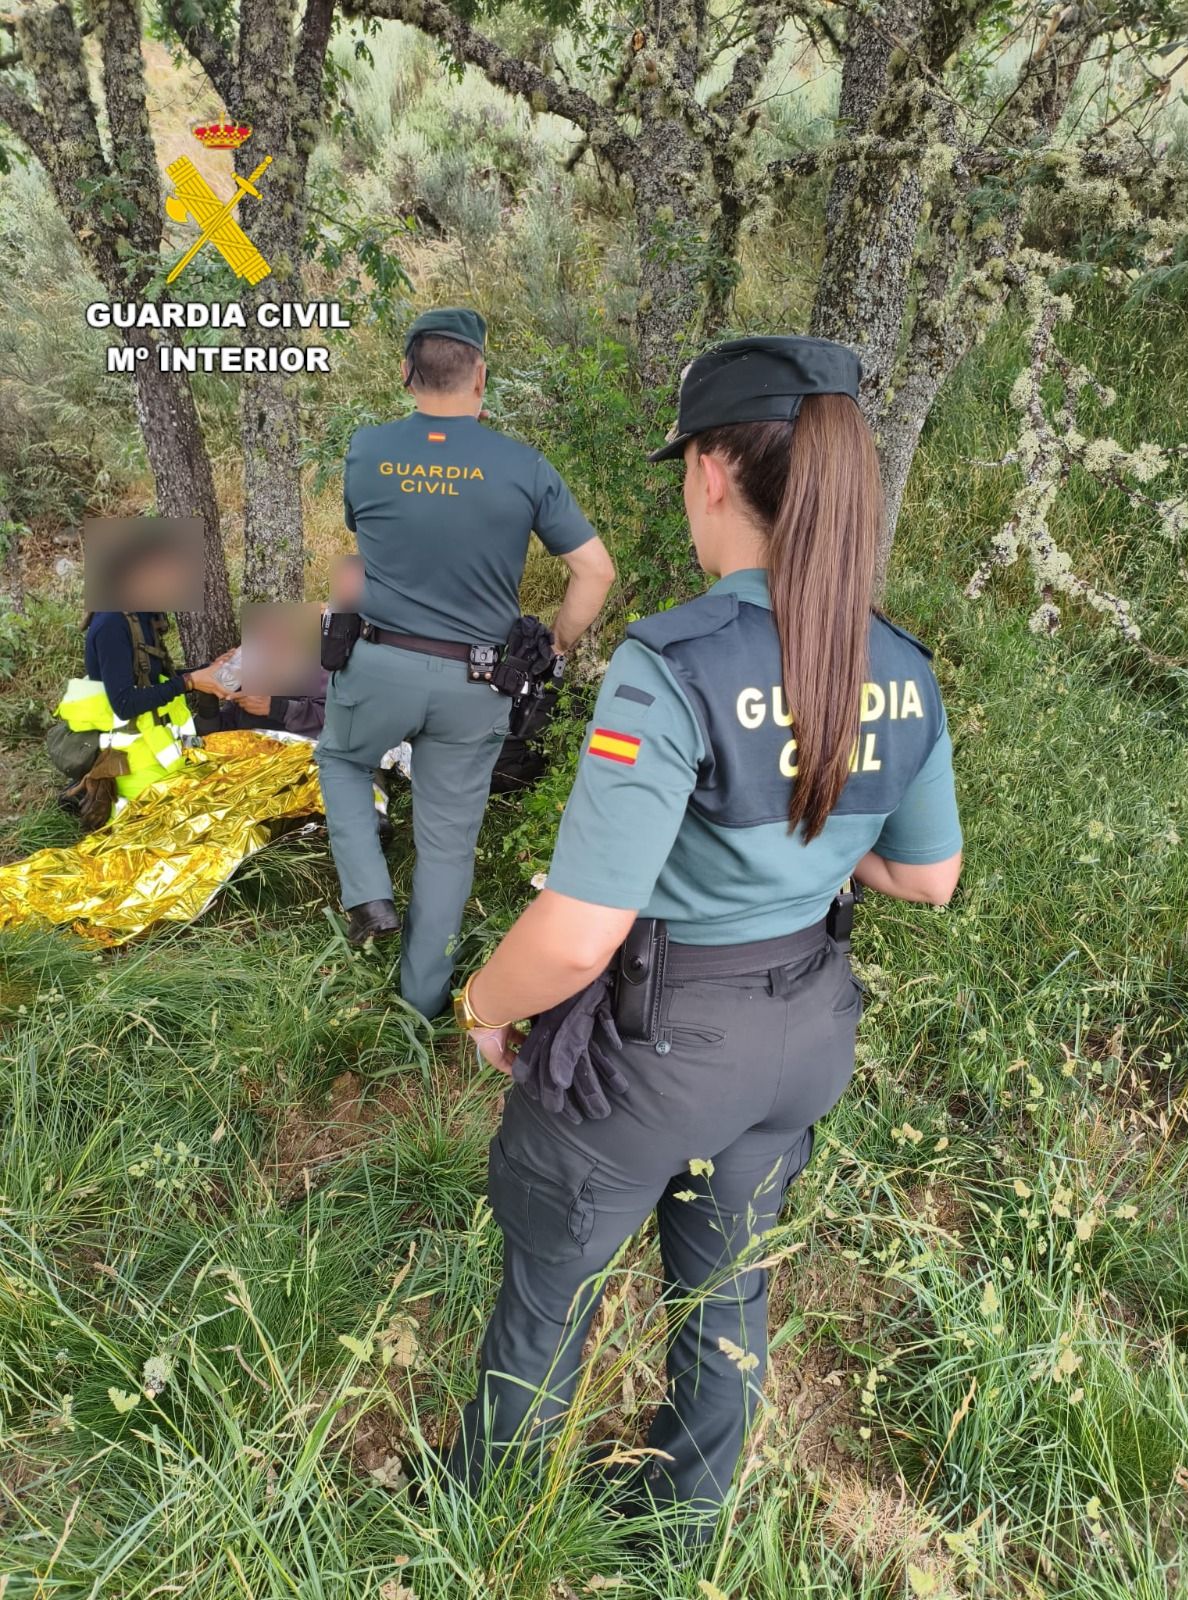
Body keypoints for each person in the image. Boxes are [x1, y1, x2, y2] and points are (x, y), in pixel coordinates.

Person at [447, 335, 964, 1539]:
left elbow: (578, 938)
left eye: (686, 461)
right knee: (728, 1279)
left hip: (658, 1039)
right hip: (804, 1030)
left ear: (714, 472)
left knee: (551, 1281)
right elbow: (928, 875)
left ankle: (477, 1523)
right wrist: (814, 851)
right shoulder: (896, 663)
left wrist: (483, 1003)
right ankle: (687, 1519)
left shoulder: (671, 662)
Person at [315, 307, 614, 1019]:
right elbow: (595, 572)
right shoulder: (522, 465)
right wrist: (559, 647)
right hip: (478, 683)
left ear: (405, 373)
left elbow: (366, 542)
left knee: (341, 761)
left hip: (379, 666)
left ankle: (367, 895)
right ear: (481, 375)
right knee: (448, 851)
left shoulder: (368, 450)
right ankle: (421, 1006)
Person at [51, 532, 227, 825]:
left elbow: (154, 678)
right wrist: (190, 682)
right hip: (130, 750)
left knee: (208, 787)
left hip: (157, 738)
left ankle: (80, 790)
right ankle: (89, 792)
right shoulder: (111, 624)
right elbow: (124, 702)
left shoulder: (143, 613)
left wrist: (208, 672)